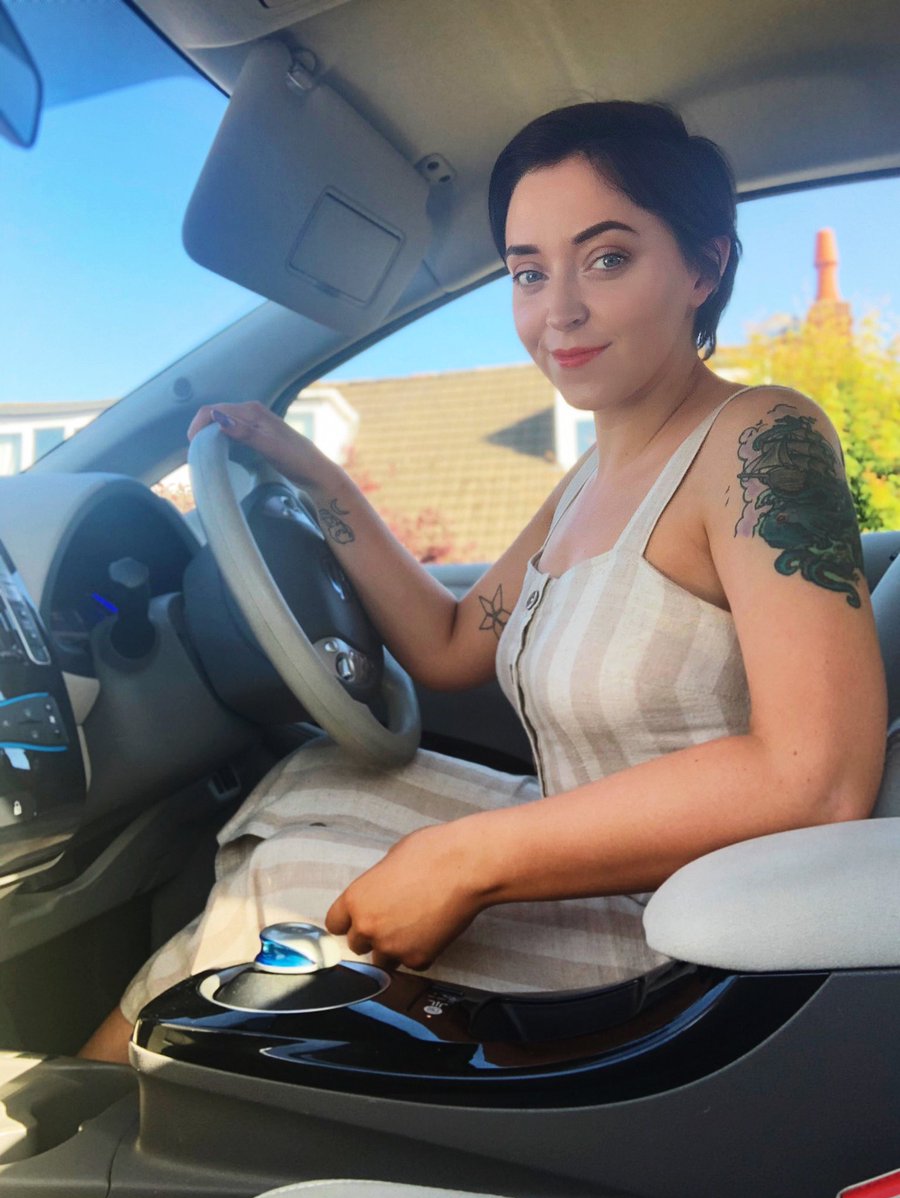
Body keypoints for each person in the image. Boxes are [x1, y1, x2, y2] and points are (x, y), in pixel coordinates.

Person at [80, 101, 887, 1063]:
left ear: (704, 267)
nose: (559, 312)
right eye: (529, 273)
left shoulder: (761, 436)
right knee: (305, 784)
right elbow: (451, 646)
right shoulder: (588, 480)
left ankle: (84, 1112)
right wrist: (318, 477)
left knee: (280, 886)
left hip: (684, 927)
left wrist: (469, 859)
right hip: (590, 857)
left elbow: (816, 777)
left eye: (607, 258)